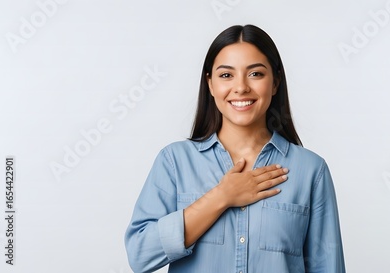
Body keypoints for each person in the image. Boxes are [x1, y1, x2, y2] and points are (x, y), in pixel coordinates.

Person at [125, 24, 346, 273]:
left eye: (255, 74)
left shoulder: (310, 170)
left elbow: (328, 267)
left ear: (275, 82)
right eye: (226, 75)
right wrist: (221, 197)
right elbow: (140, 255)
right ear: (210, 84)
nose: (241, 87)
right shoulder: (174, 162)